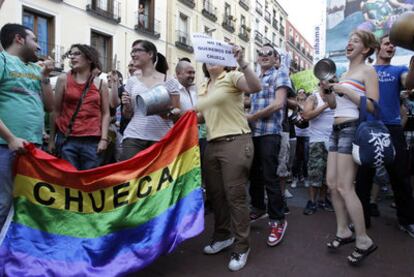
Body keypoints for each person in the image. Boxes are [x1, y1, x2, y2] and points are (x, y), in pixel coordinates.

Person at [195, 45, 261, 271]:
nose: (211, 60)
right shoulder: (203, 86)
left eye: (216, 57)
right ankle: (223, 236)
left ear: (225, 62)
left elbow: (255, 86)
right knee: (216, 196)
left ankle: (242, 246)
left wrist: (243, 62)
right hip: (212, 145)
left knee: (235, 196)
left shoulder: (233, 76)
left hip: (236, 142)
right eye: (208, 57)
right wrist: (178, 117)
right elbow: (201, 117)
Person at [322, 30, 378, 265]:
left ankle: (363, 239)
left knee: (345, 187)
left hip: (352, 128)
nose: (349, 43)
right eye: (349, 40)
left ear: (365, 49)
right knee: (332, 185)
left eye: (355, 41)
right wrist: (326, 91)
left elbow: (374, 107)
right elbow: (334, 105)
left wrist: (348, 91)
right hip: (336, 129)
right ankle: (343, 231)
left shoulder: (368, 70)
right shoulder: (344, 73)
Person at [355, 34, 414, 237]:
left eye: (394, 44)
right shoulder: (366, 69)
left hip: (392, 128)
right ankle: (362, 220)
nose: (391, 46)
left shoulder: (400, 70)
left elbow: (408, 83)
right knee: (363, 178)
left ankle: (406, 220)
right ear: (378, 47)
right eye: (387, 43)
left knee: (401, 177)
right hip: (369, 126)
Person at [0, 23, 54, 229]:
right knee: (3, 203)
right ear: (19, 39)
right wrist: (11, 138)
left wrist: (46, 77)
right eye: (35, 40)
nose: (39, 48)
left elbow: (49, 106)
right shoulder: (2, 60)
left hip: (33, 148)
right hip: (5, 147)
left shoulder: (35, 69)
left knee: (29, 204)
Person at [247, 44, 292, 247]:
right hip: (253, 133)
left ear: (275, 59)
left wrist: (252, 116)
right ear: (257, 58)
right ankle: (258, 208)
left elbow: (278, 103)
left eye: (269, 53)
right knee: (254, 175)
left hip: (270, 133)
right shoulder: (254, 78)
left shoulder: (280, 74)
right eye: (261, 53)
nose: (264, 55)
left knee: (270, 177)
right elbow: (249, 101)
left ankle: (278, 220)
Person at [49, 44, 110, 170]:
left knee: (90, 182)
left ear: (89, 59)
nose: (72, 57)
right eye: (71, 54)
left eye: (77, 54)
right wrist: (51, 140)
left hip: (92, 141)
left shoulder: (100, 83)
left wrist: (104, 139)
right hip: (67, 139)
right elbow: (56, 111)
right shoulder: (63, 79)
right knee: (69, 180)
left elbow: (106, 113)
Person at [119, 39, 180, 160]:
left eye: (137, 50)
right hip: (134, 138)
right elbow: (127, 115)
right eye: (132, 51)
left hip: (161, 139)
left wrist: (167, 112)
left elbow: (177, 114)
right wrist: (126, 105)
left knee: (158, 178)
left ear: (150, 54)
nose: (133, 54)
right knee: (132, 177)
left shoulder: (169, 81)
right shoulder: (131, 81)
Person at [301, 82, 335, 215]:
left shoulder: (336, 96)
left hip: (333, 141)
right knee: (315, 173)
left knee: (328, 174)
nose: (330, 83)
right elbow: (306, 115)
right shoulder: (313, 98)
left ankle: (323, 200)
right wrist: (326, 105)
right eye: (327, 80)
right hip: (317, 141)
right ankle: (311, 201)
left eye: (333, 80)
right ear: (321, 83)